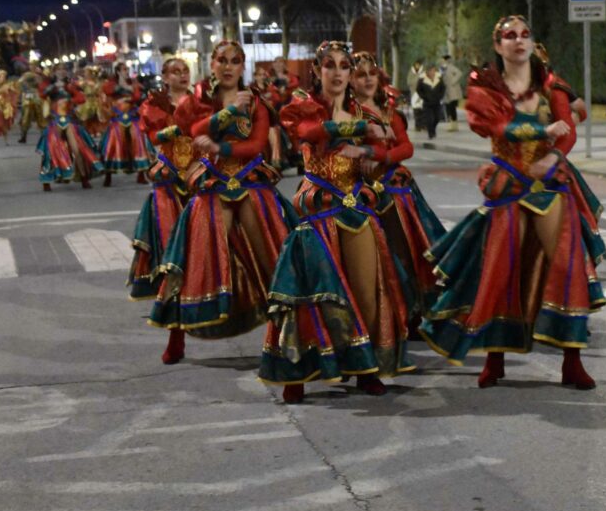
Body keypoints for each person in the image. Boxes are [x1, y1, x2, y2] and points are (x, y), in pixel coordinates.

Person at [420, 15, 606, 389]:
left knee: (568, 266)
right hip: (509, 186)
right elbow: (497, 127)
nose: (518, 41)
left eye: (524, 35)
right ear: (498, 45)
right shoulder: (485, 88)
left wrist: (554, 156)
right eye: (509, 36)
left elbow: (566, 128)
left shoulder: (550, 83)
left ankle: (572, 359)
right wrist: (542, 130)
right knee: (502, 269)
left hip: (550, 187)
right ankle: (495, 358)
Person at [260, 42, 413, 403]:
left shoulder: (365, 111)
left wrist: (372, 155)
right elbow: (309, 134)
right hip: (317, 208)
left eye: (345, 65)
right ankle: (298, 373)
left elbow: (391, 150)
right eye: (330, 65)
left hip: (355, 206)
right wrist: (360, 130)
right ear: (317, 71)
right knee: (310, 294)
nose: (339, 72)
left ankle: (366, 368)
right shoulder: (303, 107)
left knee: (366, 292)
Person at [149, 41, 296, 363]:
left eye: (235, 61)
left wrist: (221, 147)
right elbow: (192, 129)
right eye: (222, 60)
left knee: (274, 258)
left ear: (242, 66)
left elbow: (256, 144)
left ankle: (284, 338)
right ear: (212, 64)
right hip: (212, 184)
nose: (228, 66)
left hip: (250, 182)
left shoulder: (255, 101)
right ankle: (177, 337)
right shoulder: (198, 99)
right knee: (195, 259)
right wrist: (228, 114)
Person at [353, 51, 446, 337]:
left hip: (396, 191)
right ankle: (385, 319)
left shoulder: (387, 109)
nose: (368, 79)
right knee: (380, 259)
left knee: (409, 255)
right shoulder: (347, 111)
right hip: (360, 194)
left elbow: (406, 148)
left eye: (372, 73)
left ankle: (414, 315)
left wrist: (380, 154)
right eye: (360, 74)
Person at [129, 58, 199, 363]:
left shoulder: (202, 101)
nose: (182, 75)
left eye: (185, 71)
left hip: (200, 183)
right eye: (175, 72)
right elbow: (156, 136)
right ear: (164, 77)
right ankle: (176, 336)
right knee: (175, 263)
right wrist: (183, 126)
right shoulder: (153, 105)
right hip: (169, 188)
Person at [36, 67, 103, 191]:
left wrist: (69, 97)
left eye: (63, 71)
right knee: (50, 151)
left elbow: (81, 98)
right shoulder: (51, 86)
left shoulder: (70, 86)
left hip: (69, 120)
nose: (61, 72)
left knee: (77, 150)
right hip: (55, 120)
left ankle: (84, 178)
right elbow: (42, 94)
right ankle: (47, 180)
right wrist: (54, 86)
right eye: (58, 71)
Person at [101, 62, 151, 186]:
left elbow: (137, 96)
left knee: (138, 139)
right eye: (124, 69)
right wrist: (122, 89)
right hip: (117, 116)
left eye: (127, 69)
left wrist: (127, 96)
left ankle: (141, 174)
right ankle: (108, 175)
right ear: (118, 71)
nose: (126, 71)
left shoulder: (132, 83)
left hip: (132, 115)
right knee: (114, 140)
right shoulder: (112, 84)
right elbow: (107, 91)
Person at [16, 69, 46, 144]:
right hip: (28, 97)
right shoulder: (26, 75)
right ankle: (23, 136)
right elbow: (19, 83)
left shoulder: (38, 76)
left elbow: (41, 84)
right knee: (26, 117)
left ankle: (44, 135)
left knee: (40, 117)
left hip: (36, 97)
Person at [416, 64, 445, 139]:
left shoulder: (439, 78)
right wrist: (424, 97)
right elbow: (418, 90)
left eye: (434, 70)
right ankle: (431, 133)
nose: (433, 72)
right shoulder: (422, 79)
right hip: (427, 103)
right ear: (427, 71)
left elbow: (443, 88)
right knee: (429, 119)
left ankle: (432, 129)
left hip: (437, 102)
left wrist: (440, 96)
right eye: (431, 71)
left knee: (437, 118)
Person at [440, 55, 464, 131]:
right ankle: (452, 125)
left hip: (453, 91)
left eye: (443, 60)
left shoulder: (450, 67)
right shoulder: (442, 69)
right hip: (446, 91)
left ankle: (454, 125)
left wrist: (453, 82)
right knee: (448, 108)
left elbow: (459, 73)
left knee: (452, 108)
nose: (441, 61)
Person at [408, 59, 424, 132]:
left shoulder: (423, 72)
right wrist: (417, 79)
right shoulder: (411, 73)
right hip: (414, 93)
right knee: (416, 110)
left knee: (423, 110)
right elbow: (409, 82)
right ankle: (417, 126)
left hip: (422, 93)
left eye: (418, 65)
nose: (417, 66)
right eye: (416, 65)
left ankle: (424, 125)